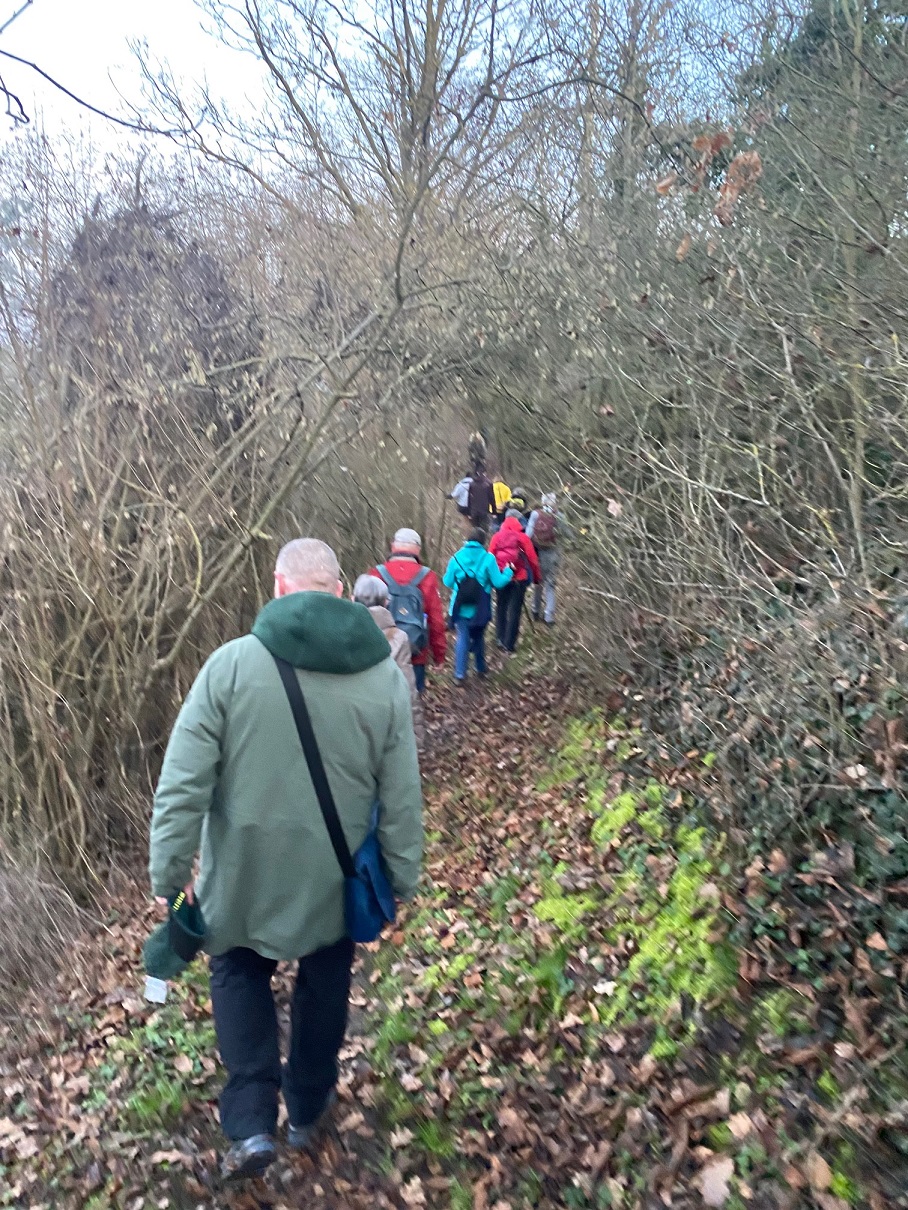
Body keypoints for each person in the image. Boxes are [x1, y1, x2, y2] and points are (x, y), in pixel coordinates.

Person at [149, 539, 423, 1181]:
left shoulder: (230, 667)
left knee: (239, 973)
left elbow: (183, 782)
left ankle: (249, 1125)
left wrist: (169, 875)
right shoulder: (381, 676)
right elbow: (402, 791)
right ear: (334, 591)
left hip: (239, 880)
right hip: (330, 881)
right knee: (325, 980)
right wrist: (403, 872)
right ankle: (305, 1106)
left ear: (277, 586)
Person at [368, 529, 446, 694]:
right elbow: (436, 620)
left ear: (393, 546)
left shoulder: (376, 574)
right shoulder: (427, 576)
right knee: (412, 701)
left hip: (381, 651)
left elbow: (365, 613)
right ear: (417, 549)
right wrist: (439, 655)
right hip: (415, 652)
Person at [353, 574, 425, 750]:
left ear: (352, 599)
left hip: (352, 729)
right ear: (386, 603)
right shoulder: (399, 638)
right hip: (388, 727)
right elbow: (408, 690)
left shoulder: (339, 636)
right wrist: (417, 737)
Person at [443, 528, 513, 684]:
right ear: (483, 542)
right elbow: (498, 583)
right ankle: (480, 668)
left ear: (467, 540)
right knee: (479, 636)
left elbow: (447, 582)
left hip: (459, 606)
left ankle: (460, 675)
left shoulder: (456, 558)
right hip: (480, 608)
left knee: (462, 637)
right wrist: (508, 572)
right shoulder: (488, 558)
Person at [490, 514, 541, 653]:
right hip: (519, 578)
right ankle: (509, 645)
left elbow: (490, 557)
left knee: (501, 607)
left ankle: (500, 638)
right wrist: (536, 578)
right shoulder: (523, 538)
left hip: (501, 577)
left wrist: (491, 577)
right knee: (515, 611)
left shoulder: (496, 537)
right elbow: (533, 560)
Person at [527, 492, 563, 626]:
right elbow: (568, 534)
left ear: (542, 502)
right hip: (553, 552)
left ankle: (535, 610)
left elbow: (528, 535)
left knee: (538, 583)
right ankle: (549, 617)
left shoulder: (536, 514)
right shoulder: (559, 516)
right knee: (550, 585)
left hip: (539, 553)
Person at [467, 466, 496, 532]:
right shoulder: (488, 484)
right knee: (484, 532)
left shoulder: (472, 484)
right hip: (484, 512)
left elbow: (469, 499)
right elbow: (492, 498)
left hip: (474, 512)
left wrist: (469, 513)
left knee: (475, 531)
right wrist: (494, 511)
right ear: (484, 473)